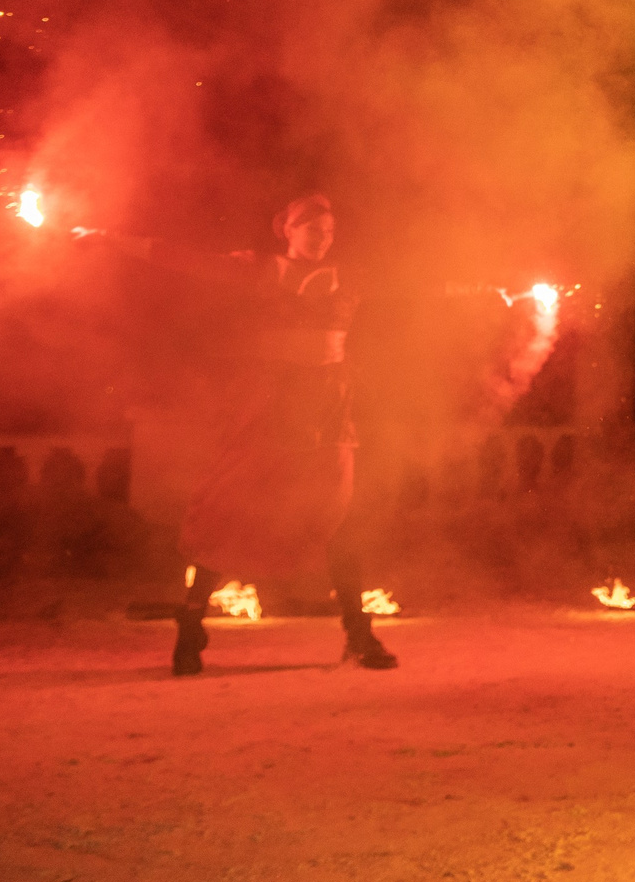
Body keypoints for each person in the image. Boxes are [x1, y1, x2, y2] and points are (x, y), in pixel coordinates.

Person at [80, 194, 397, 675]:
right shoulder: (259, 270)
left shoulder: (349, 278)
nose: (321, 237)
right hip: (270, 408)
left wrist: (493, 287)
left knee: (336, 517)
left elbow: (417, 286)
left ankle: (358, 634)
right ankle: (190, 631)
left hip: (328, 412)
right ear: (286, 231)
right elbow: (186, 260)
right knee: (229, 512)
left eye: (328, 231)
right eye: (311, 228)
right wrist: (114, 241)